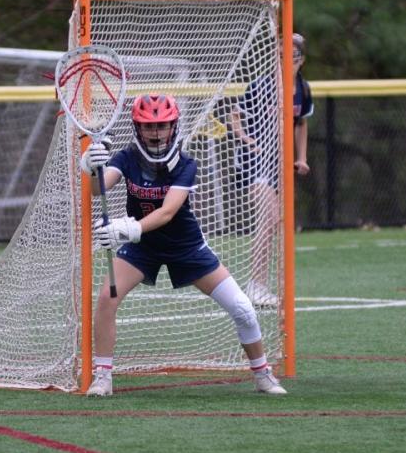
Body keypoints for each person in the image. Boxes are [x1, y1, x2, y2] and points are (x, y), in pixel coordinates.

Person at [79, 93, 286, 397]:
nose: (156, 132)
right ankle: (103, 377)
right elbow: (99, 189)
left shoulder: (185, 163)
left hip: (185, 246)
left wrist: (129, 227)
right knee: (106, 299)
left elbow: (167, 211)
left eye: (162, 125)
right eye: (149, 126)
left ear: (173, 126)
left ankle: (263, 375)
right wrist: (90, 165)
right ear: (137, 128)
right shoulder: (125, 157)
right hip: (142, 248)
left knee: (242, 308)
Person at [229, 32, 313, 307]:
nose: (289, 59)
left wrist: (301, 158)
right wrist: (248, 140)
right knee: (270, 215)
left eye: (294, 55)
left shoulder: (303, 89)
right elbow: (235, 115)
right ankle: (255, 285)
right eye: (283, 53)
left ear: (302, 59)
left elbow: (300, 124)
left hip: (278, 163)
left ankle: (261, 284)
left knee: (274, 221)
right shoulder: (262, 85)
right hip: (254, 162)